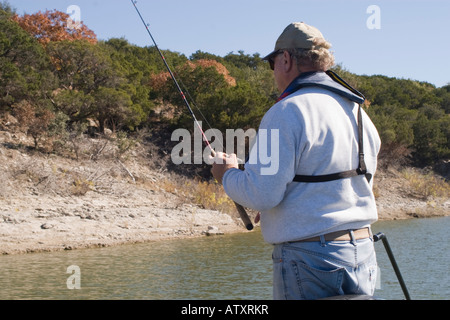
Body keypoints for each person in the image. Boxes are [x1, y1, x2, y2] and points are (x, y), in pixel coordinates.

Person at [210, 22, 381, 300]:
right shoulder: (359, 113)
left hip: (308, 258)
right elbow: (351, 181)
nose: (274, 71)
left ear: (286, 59)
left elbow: (261, 194)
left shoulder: (286, 110)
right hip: (363, 251)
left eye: (273, 63)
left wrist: (226, 173)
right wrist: (283, 208)